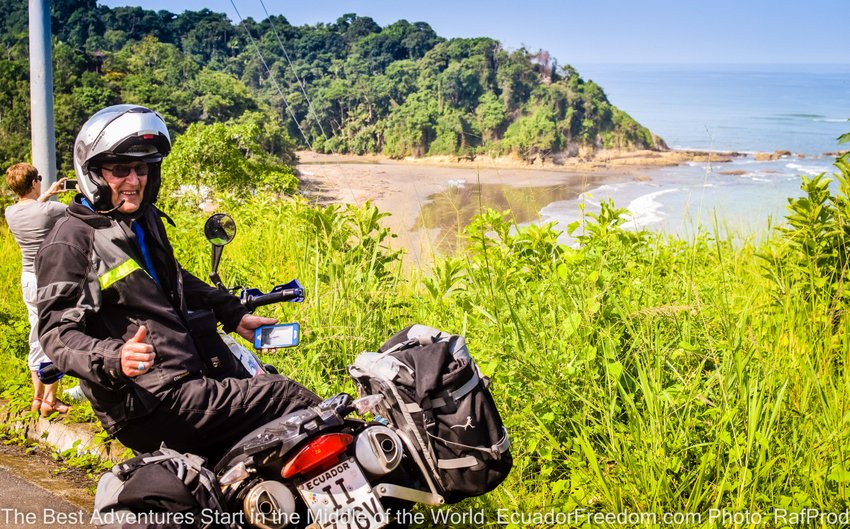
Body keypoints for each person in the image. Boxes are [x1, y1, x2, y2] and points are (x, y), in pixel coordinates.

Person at [35, 104, 320, 462]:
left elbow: (173, 277)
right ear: (93, 174)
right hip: (146, 400)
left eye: (142, 169)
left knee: (265, 436)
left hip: (184, 374)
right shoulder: (71, 242)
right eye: (120, 170)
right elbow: (57, 334)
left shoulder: (143, 219)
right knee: (287, 398)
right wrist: (115, 356)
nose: (134, 181)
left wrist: (232, 315)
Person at [4, 162, 75, 417]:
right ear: (34, 182)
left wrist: (47, 194)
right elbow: (77, 211)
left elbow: (33, 208)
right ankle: (50, 400)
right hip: (50, 278)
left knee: (36, 335)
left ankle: (36, 398)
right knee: (54, 335)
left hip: (28, 280)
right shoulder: (51, 210)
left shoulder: (10, 212)